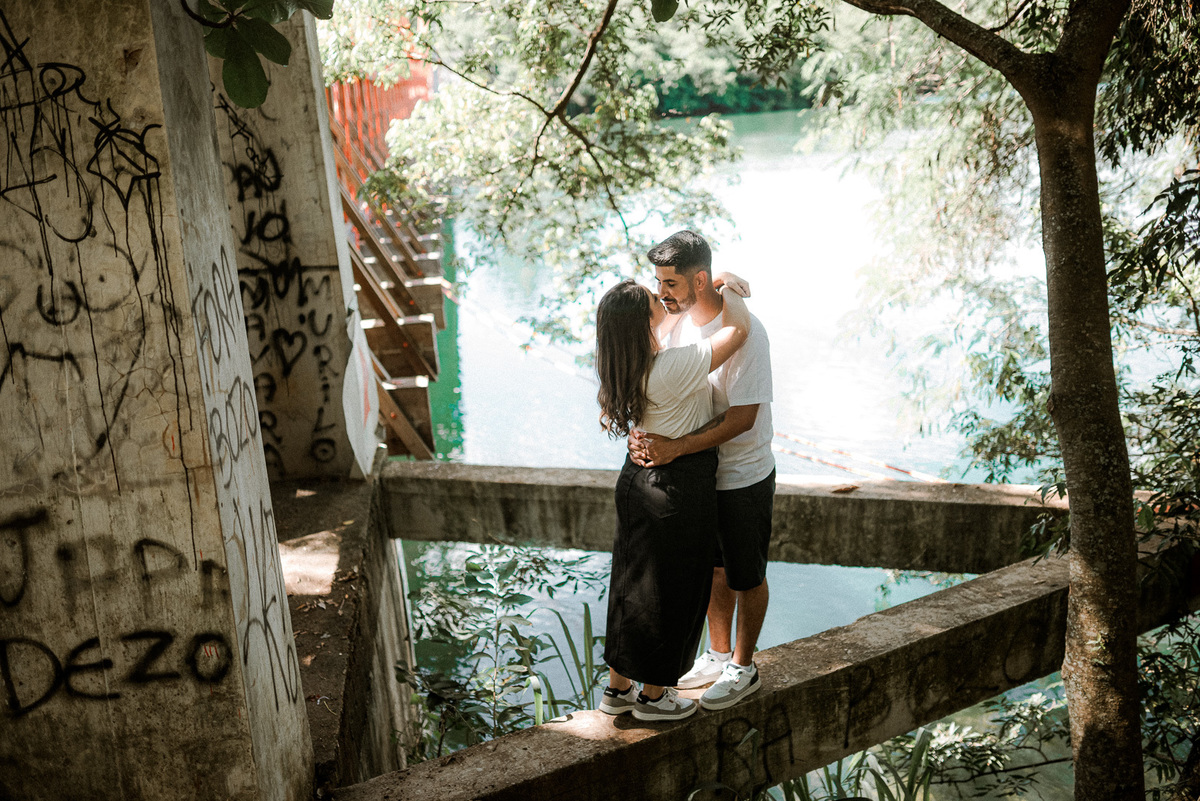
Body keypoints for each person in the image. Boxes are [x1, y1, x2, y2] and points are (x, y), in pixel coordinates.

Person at [629, 230, 775, 712]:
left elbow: (743, 417)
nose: (661, 293)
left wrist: (677, 449)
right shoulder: (678, 323)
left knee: (744, 573)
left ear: (699, 279)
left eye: (669, 283)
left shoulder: (748, 334)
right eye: (658, 282)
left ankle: (744, 666)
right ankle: (715, 655)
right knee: (712, 570)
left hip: (742, 473)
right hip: (698, 473)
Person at [594, 277, 750, 722]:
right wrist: (731, 291)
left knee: (630, 585)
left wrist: (701, 286)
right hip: (676, 485)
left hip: (635, 484)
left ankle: (618, 688)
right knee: (673, 590)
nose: (662, 298)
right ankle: (655, 697)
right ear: (645, 322)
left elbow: (669, 314)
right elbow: (737, 333)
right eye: (653, 299)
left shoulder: (623, 364)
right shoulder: (671, 368)